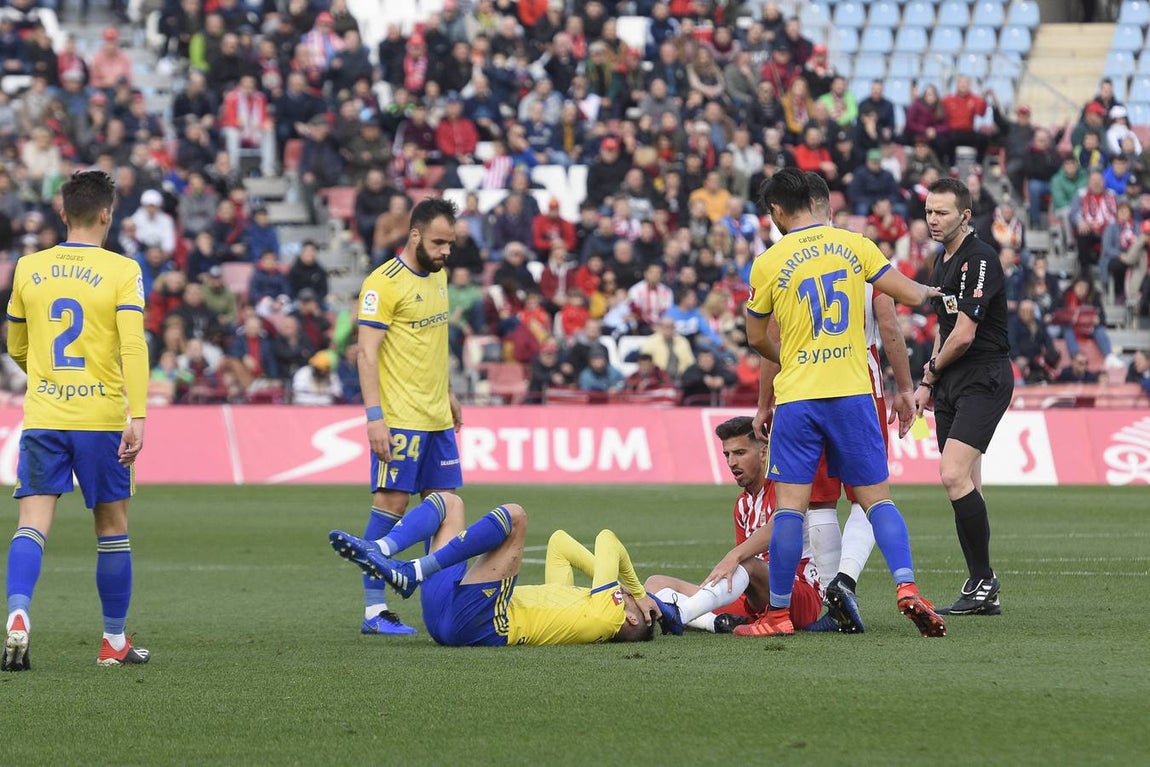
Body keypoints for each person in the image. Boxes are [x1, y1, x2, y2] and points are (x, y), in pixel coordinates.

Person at [707, 167, 945, 638]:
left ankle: (778, 615)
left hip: (799, 397)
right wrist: (937, 292)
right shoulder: (856, 245)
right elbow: (911, 296)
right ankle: (906, 586)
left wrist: (790, 357)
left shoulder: (769, 262)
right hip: (854, 392)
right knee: (876, 500)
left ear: (777, 210)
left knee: (792, 509)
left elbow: (757, 337)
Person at [3, 170, 150, 671]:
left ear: (62, 213)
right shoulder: (122, 270)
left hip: (45, 415)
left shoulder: (28, 267)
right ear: (107, 213)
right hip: (101, 418)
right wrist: (138, 415)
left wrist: (47, 378)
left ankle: (18, 612)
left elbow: (16, 346)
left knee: (31, 524)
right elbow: (133, 346)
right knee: (112, 527)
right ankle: (113, 641)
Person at [328, 493, 670, 646]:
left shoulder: (608, 617)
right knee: (449, 503)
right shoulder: (583, 605)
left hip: (483, 624)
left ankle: (414, 571)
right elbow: (560, 544)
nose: (625, 594)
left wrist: (638, 592)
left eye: (630, 601)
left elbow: (607, 540)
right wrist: (627, 591)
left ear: (632, 619)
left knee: (515, 516)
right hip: (450, 618)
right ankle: (382, 548)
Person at [352, 197, 464, 636]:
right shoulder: (383, 283)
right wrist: (374, 418)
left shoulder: (440, 276)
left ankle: (442, 607)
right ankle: (374, 611)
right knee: (392, 505)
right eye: (438, 243)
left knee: (445, 509)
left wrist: (448, 391)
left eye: (450, 244)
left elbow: (435, 343)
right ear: (414, 235)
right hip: (400, 418)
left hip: (437, 417)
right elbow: (366, 353)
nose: (445, 252)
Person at [915, 177, 1013, 616]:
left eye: (942, 213)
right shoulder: (943, 260)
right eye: (929, 212)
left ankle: (984, 579)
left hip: (983, 376)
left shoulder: (980, 259)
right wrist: (928, 383)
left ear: (965, 216)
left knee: (953, 475)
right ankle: (981, 588)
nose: (933, 220)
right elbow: (945, 329)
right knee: (966, 483)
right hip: (951, 380)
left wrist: (931, 372)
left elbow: (965, 335)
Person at [644, 417, 827, 635]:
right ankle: (715, 622)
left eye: (740, 453)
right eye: (727, 455)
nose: (732, 462)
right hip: (754, 597)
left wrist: (734, 556)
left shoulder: (786, 488)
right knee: (655, 583)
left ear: (764, 453)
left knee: (746, 562)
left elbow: (776, 530)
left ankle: (682, 615)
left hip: (797, 595)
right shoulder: (742, 505)